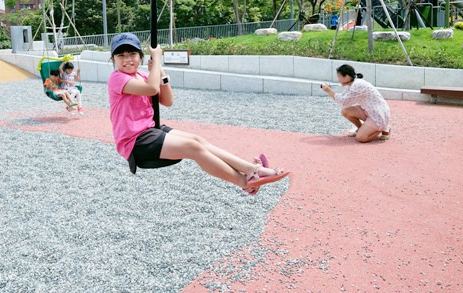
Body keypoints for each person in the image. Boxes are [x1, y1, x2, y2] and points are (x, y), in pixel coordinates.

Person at [107, 32, 290, 194]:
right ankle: (244, 181)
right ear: (113, 59)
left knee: (197, 141)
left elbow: (168, 101)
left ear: (140, 56)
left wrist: (160, 70)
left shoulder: (143, 76)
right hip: (134, 141)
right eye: (121, 55)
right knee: (193, 149)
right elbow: (151, 88)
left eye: (132, 54)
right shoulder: (117, 78)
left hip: (150, 129)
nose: (128, 59)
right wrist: (157, 61)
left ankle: (251, 169)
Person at [321, 64, 391, 143]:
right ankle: (364, 129)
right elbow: (343, 97)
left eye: (339, 77)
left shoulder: (357, 85)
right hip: (369, 111)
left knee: (361, 138)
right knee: (345, 111)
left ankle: (384, 128)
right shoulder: (352, 83)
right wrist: (330, 90)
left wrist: (329, 91)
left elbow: (343, 102)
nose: (338, 80)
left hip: (378, 115)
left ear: (347, 77)